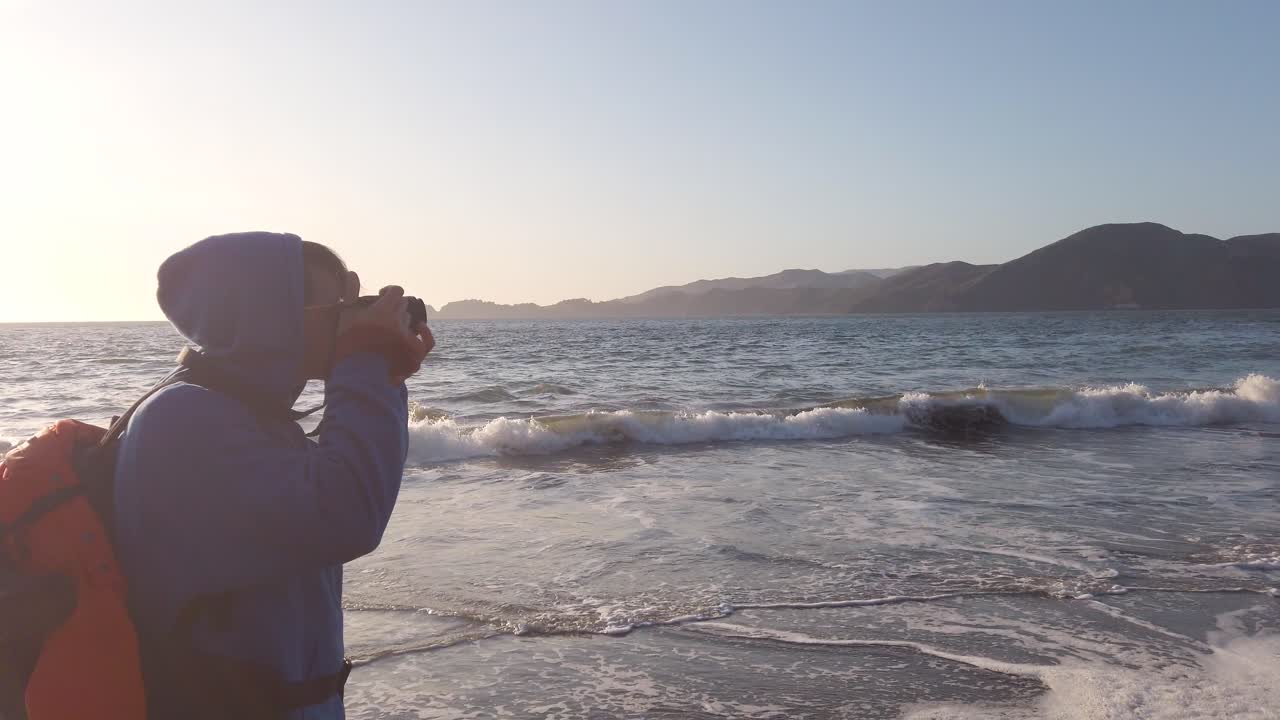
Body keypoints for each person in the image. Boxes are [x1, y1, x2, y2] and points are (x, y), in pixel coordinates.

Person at [112, 232, 433, 719]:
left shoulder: (255, 419)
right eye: (335, 309)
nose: (348, 321)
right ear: (267, 315)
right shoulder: (182, 419)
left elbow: (343, 496)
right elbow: (346, 514)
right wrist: (368, 360)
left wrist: (381, 370)